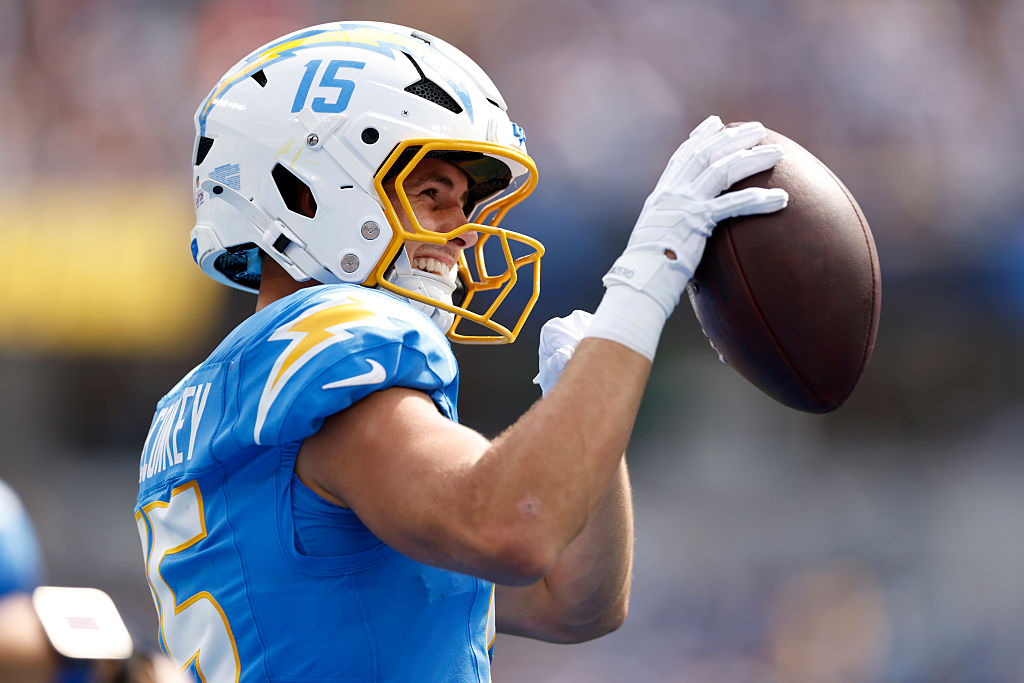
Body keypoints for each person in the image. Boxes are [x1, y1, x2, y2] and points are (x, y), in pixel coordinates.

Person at [135, 20, 787, 682]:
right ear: (300, 190)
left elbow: (577, 603)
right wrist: (646, 278)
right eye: (431, 194)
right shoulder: (328, 339)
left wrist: (587, 407)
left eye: (465, 203)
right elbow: (515, 527)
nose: (465, 232)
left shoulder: (204, 402)